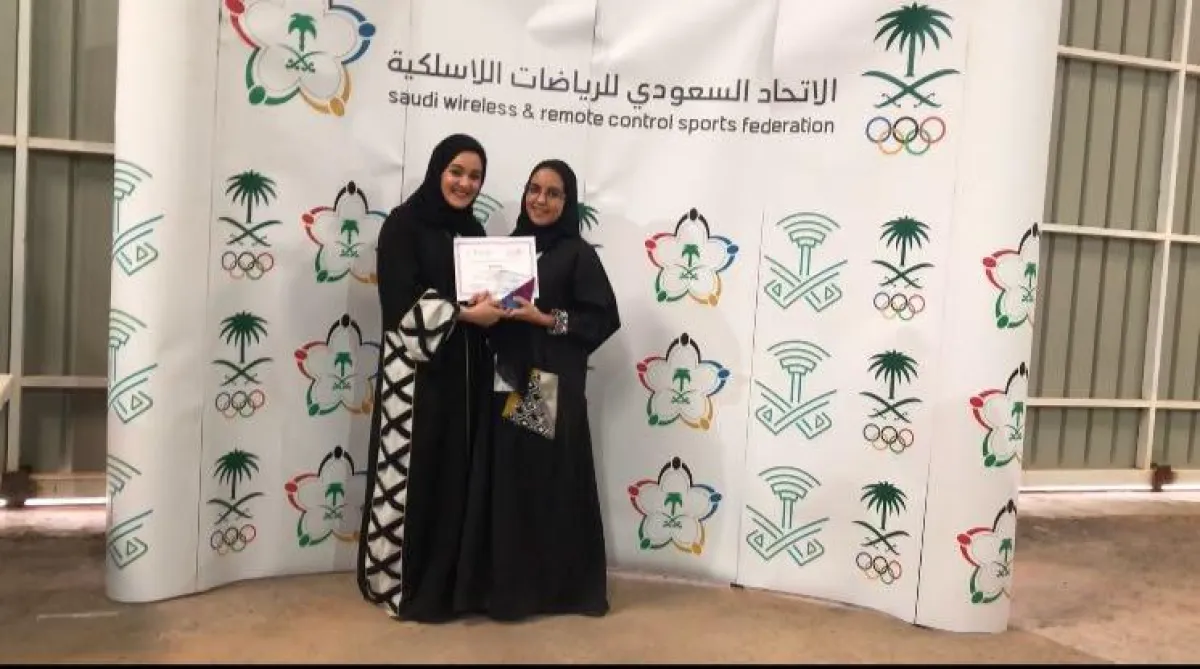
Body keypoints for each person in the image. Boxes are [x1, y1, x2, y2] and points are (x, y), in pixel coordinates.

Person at [357, 134, 507, 623]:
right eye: (456, 171)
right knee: (414, 476)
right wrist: (465, 315)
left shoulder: (474, 231)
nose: (465, 183)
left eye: (475, 176)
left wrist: (491, 304)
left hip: (464, 375)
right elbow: (400, 301)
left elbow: (483, 294)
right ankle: (401, 583)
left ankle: (453, 585)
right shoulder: (404, 226)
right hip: (416, 377)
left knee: (455, 475)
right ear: (437, 170)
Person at [484, 159, 621, 621]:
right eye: (534, 189)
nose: (540, 200)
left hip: (545, 380)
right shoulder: (509, 250)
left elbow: (601, 319)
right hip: (507, 373)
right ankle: (510, 587)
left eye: (553, 192)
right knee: (511, 478)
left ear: (568, 201)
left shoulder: (576, 254)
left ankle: (549, 591)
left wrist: (543, 318)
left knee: (541, 477)